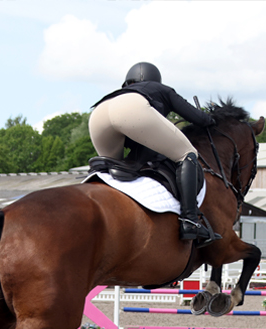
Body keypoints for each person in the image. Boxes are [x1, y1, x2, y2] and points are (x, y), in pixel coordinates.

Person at [88, 61, 222, 246]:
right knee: (187, 153)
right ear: (155, 79)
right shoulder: (162, 89)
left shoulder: (123, 91)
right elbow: (198, 118)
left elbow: (141, 145)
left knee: (112, 168)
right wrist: (211, 118)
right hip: (130, 109)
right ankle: (190, 220)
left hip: (99, 113)